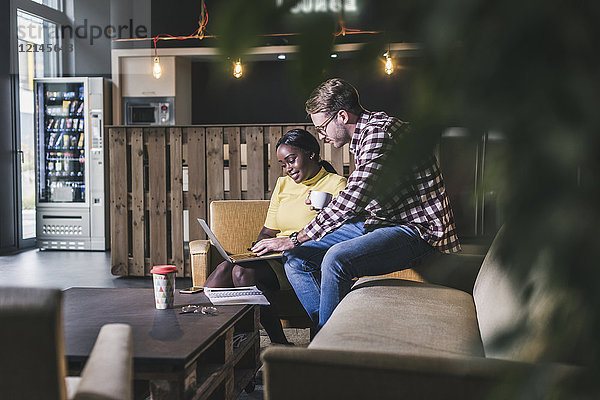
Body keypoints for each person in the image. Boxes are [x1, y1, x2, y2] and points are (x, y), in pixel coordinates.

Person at [252, 78, 460, 331]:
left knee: (335, 259)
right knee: (296, 259)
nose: (321, 135)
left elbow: (354, 197)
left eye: (322, 127)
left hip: (417, 231)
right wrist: (300, 239)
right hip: (380, 221)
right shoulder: (366, 135)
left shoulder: (378, 134)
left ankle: (326, 349)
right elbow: (370, 192)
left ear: (342, 116)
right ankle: (332, 335)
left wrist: (295, 238)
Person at [204, 128, 347, 344]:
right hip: (275, 257)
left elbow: (340, 231)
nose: (288, 169)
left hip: (307, 257)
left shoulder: (336, 184)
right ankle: (217, 339)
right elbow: (268, 230)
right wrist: (258, 248)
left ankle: (277, 341)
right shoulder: (283, 184)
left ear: (312, 154)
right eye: (283, 164)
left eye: (291, 160)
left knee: (242, 274)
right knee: (226, 269)